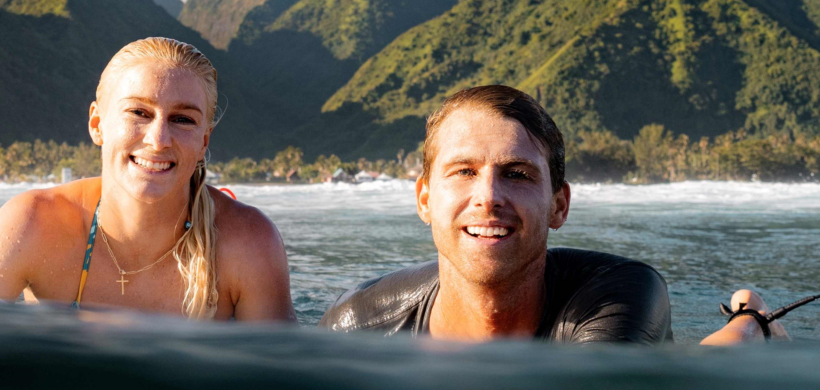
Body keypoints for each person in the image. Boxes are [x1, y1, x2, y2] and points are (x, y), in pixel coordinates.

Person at [319, 85, 783, 344]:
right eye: (463, 171)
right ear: (424, 199)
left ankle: (751, 321)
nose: (488, 196)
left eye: (517, 174)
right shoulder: (357, 324)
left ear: (559, 205)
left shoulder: (618, 297)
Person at [0, 37, 295, 321]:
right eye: (139, 113)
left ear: (204, 141)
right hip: (33, 232)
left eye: (183, 119)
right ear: (97, 124)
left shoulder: (247, 246)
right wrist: (1, 246)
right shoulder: (35, 227)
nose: (159, 139)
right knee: (7, 239)